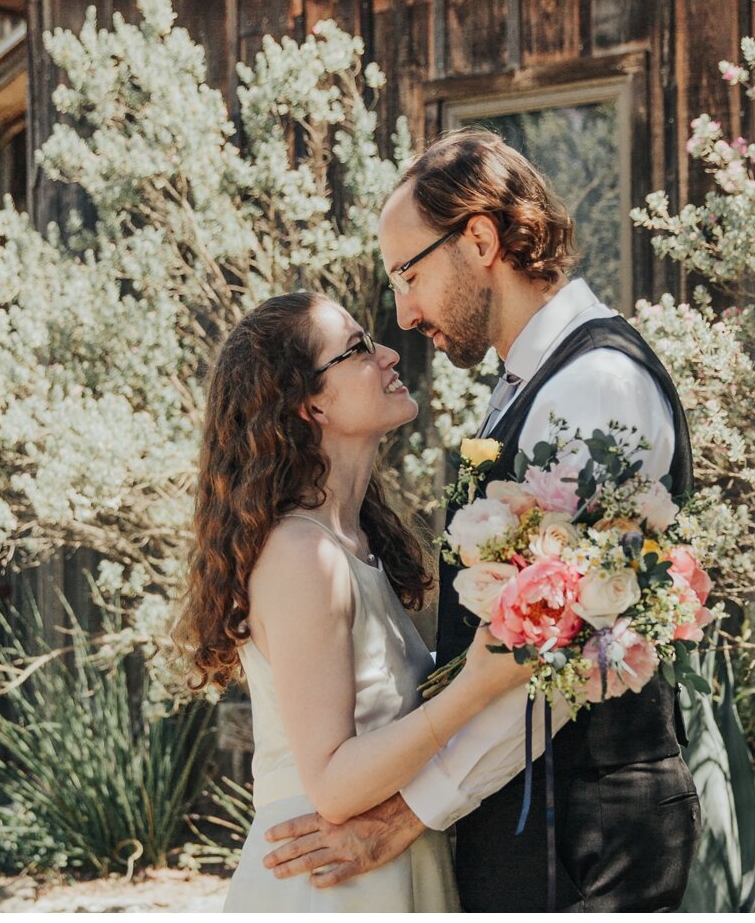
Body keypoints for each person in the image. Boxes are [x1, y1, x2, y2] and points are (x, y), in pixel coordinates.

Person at [261, 129, 702, 911]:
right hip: (533, 811)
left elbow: (557, 664)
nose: (402, 313)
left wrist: (404, 816)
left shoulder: (592, 388)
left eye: (409, 273)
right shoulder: (531, 383)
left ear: (480, 239)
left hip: (583, 828)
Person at [176, 291, 532, 911]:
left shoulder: (356, 543)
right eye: (359, 349)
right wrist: (475, 685)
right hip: (332, 887)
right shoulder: (299, 555)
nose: (391, 353)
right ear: (308, 402)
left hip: (383, 868)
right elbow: (335, 786)